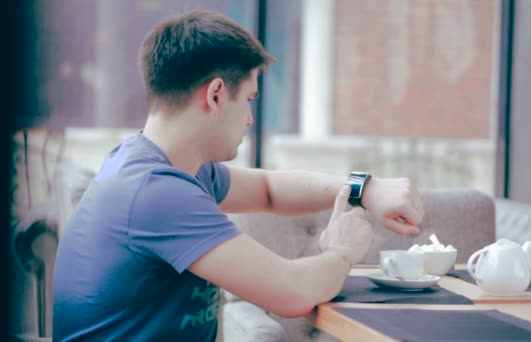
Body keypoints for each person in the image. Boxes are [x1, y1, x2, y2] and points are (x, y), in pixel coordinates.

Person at [52, 9, 424, 341]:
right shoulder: (156, 192)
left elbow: (267, 190)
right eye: (248, 99)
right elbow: (292, 293)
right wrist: (343, 250)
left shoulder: (163, 167)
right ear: (215, 95)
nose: (249, 118)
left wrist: (365, 188)